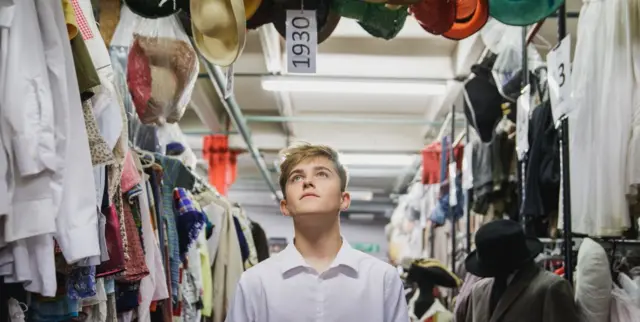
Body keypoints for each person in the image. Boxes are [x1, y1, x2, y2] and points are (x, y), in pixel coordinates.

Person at [225, 143, 409, 322]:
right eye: (296, 177)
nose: (307, 181)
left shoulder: (382, 279)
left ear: (343, 199)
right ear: (285, 206)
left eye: (322, 174)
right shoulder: (255, 283)